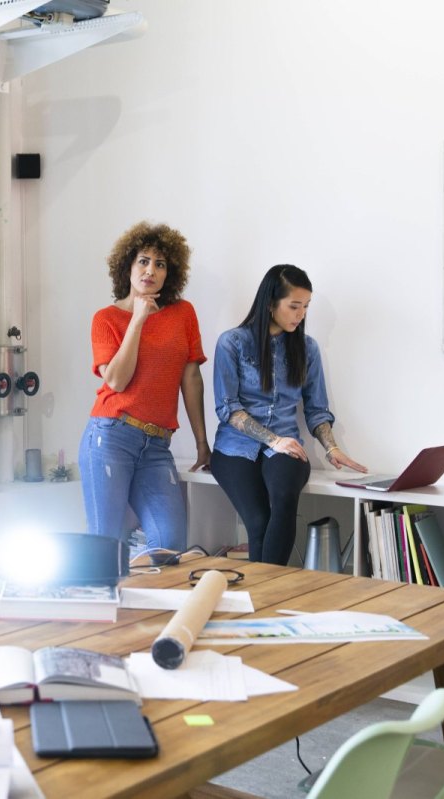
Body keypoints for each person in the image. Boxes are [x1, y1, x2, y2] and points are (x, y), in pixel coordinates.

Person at [209, 264, 366, 565]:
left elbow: (317, 409)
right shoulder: (232, 343)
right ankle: (263, 600)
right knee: (257, 522)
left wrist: (332, 448)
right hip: (234, 449)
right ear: (270, 303)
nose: (301, 314)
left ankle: (269, 594)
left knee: (282, 501)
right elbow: (228, 408)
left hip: (286, 449)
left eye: (305, 307)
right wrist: (272, 440)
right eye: (294, 306)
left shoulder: (308, 349)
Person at [78, 221, 210, 564]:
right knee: (105, 547)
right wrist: (137, 318)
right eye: (143, 261)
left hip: (156, 445)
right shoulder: (105, 318)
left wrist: (201, 442)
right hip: (110, 437)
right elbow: (117, 381)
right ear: (128, 266)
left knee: (169, 547)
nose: (151, 270)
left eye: (160, 264)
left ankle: (159, 615)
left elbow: (191, 377)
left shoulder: (183, 314)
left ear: (171, 274)